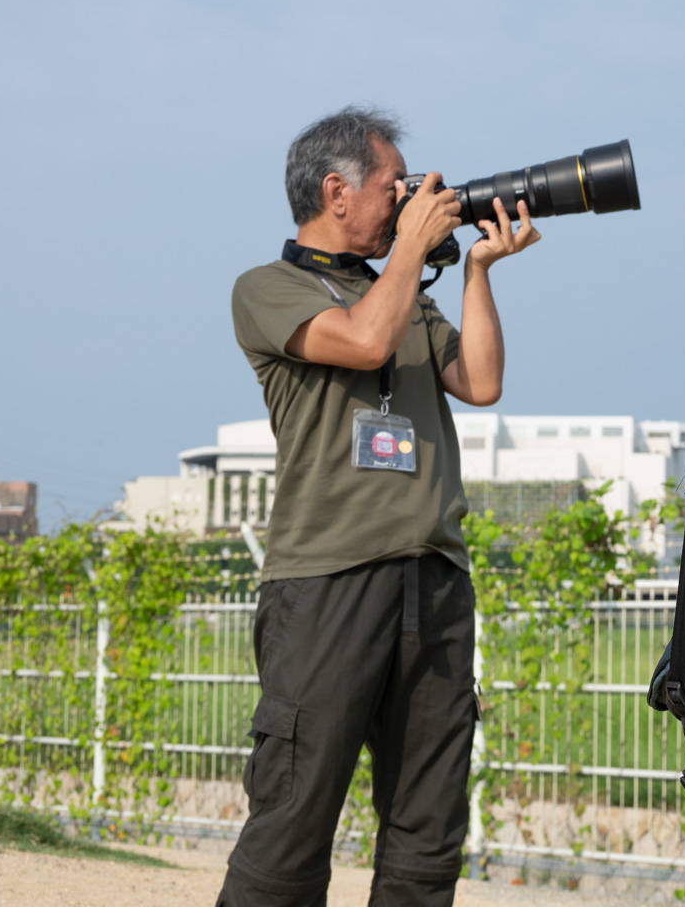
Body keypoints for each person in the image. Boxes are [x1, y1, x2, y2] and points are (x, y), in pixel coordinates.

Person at [218, 107, 539, 907]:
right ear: (336, 191)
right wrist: (407, 253)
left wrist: (475, 273)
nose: (408, 198)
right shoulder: (268, 288)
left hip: (433, 579)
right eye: (395, 185)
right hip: (326, 581)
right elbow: (361, 343)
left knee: (428, 833)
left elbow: (483, 383)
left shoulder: (401, 296)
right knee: (294, 817)